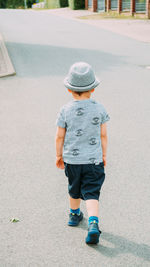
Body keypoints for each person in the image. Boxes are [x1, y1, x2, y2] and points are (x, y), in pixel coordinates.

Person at [55, 62, 110, 244]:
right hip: (93, 160)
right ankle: (93, 223)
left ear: (69, 90)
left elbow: (59, 136)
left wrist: (59, 155)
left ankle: (74, 215)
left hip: (72, 160)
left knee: (74, 187)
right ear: (93, 88)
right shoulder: (99, 108)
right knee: (91, 192)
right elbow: (103, 135)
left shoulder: (65, 110)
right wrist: (103, 155)